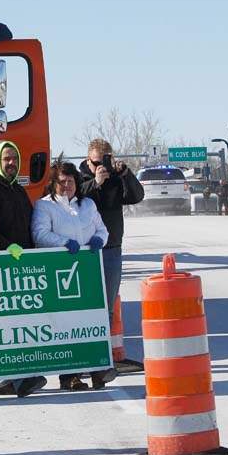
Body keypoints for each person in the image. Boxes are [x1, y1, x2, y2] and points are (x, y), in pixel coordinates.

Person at [32, 160, 109, 391]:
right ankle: (69, 376)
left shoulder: (88, 205)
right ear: (54, 184)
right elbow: (39, 234)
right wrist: (65, 243)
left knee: (90, 320)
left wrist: (99, 240)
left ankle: (98, 370)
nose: (67, 186)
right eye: (62, 182)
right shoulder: (44, 206)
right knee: (66, 323)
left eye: (71, 181)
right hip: (60, 272)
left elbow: (102, 230)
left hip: (86, 270)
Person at [0, 140, 47, 398]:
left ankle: (10, 379)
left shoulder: (18, 190)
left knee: (20, 323)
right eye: (6, 158)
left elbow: (28, 224)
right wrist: (7, 248)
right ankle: (12, 379)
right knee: (4, 325)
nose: (12, 163)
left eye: (15, 158)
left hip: (21, 266)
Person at [79, 139, 144, 377]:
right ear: (88, 160)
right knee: (85, 306)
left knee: (106, 308)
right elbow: (73, 199)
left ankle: (102, 357)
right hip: (85, 251)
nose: (101, 166)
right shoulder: (78, 179)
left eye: (105, 160)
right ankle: (84, 357)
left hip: (112, 249)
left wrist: (125, 174)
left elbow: (136, 196)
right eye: (97, 161)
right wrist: (95, 182)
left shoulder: (116, 179)